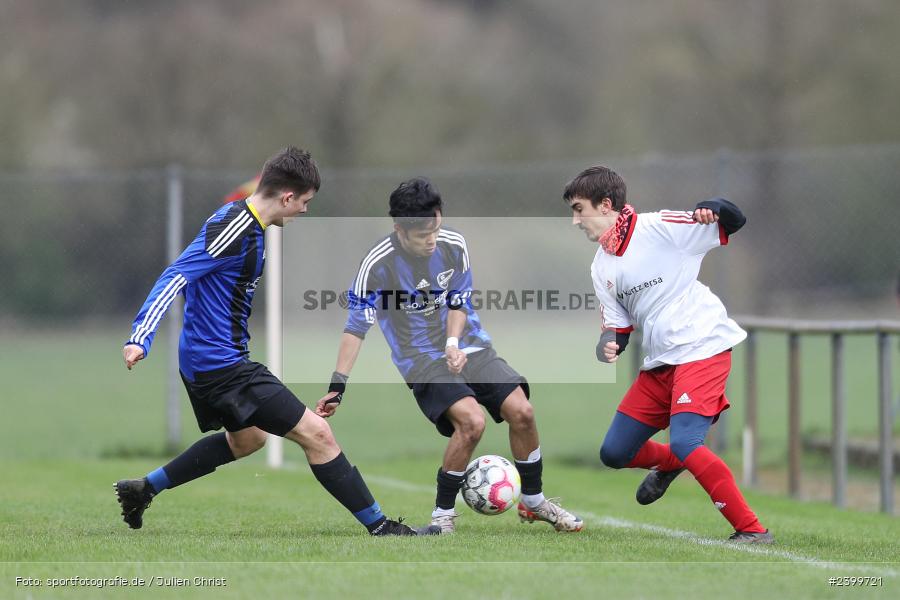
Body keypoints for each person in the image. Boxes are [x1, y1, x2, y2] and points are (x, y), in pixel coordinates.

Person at [116, 147, 438, 537]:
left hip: (210, 361)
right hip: (221, 365)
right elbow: (175, 276)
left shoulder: (249, 225)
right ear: (287, 197)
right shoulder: (234, 227)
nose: (304, 210)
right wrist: (140, 337)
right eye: (304, 202)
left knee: (248, 439)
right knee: (317, 434)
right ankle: (382, 526)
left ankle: (143, 489)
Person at [315, 177, 583, 534]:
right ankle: (443, 517)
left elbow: (459, 300)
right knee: (472, 423)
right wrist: (338, 385)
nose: (431, 241)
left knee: (522, 411)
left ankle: (534, 502)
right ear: (399, 230)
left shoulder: (454, 244)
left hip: (468, 343)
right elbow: (355, 328)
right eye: (422, 235)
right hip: (421, 360)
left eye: (435, 230)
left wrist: (454, 344)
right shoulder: (377, 265)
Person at [563, 165, 773, 543]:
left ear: (606, 205)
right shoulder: (600, 266)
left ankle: (751, 529)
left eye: (579, 209)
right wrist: (608, 343)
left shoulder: (659, 227)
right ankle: (675, 463)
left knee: (686, 442)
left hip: (701, 346)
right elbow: (618, 325)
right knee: (614, 452)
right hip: (661, 361)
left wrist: (714, 206)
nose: (575, 220)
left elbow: (734, 220)